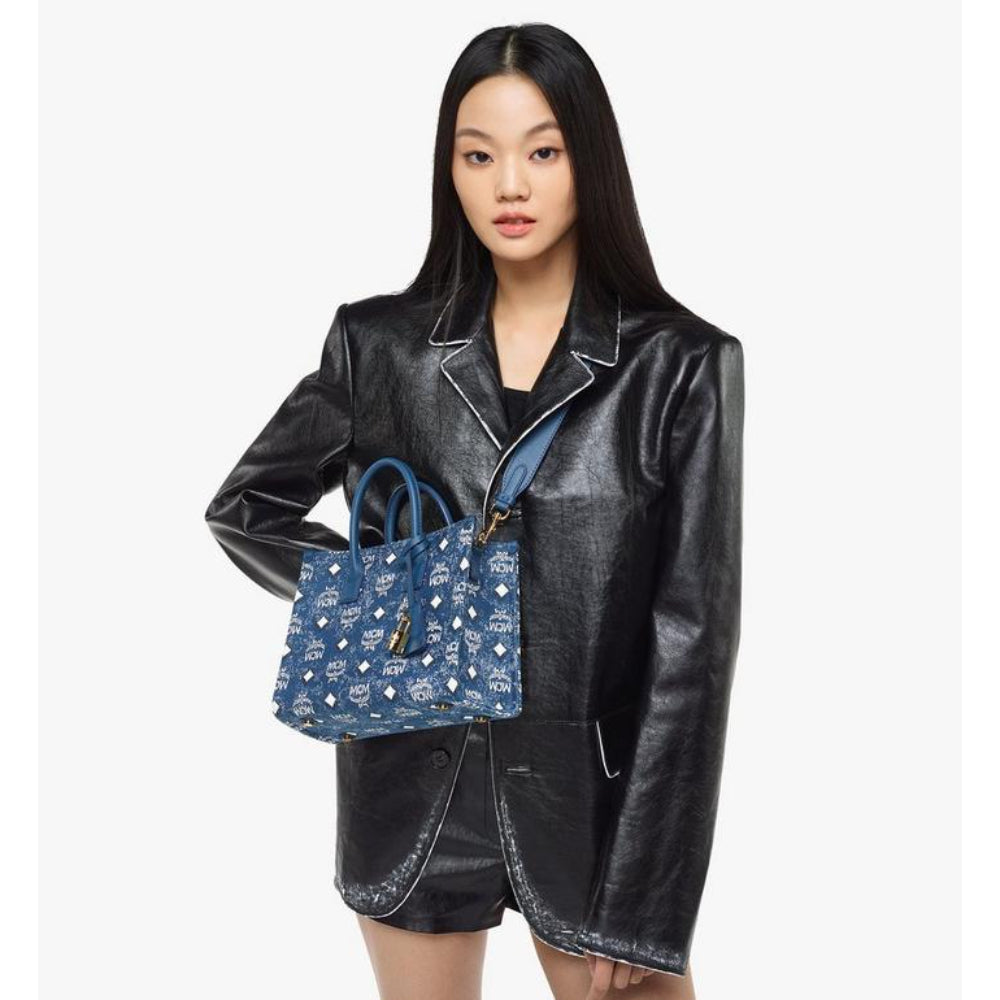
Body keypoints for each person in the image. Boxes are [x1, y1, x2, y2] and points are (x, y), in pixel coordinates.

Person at [205, 22, 744, 1000]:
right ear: (448, 169)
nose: (510, 186)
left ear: (590, 162)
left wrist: (649, 895)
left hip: (589, 807)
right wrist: (387, 595)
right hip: (410, 779)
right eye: (478, 155)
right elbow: (248, 507)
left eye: (543, 151)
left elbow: (692, 651)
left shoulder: (680, 365)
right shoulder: (377, 346)